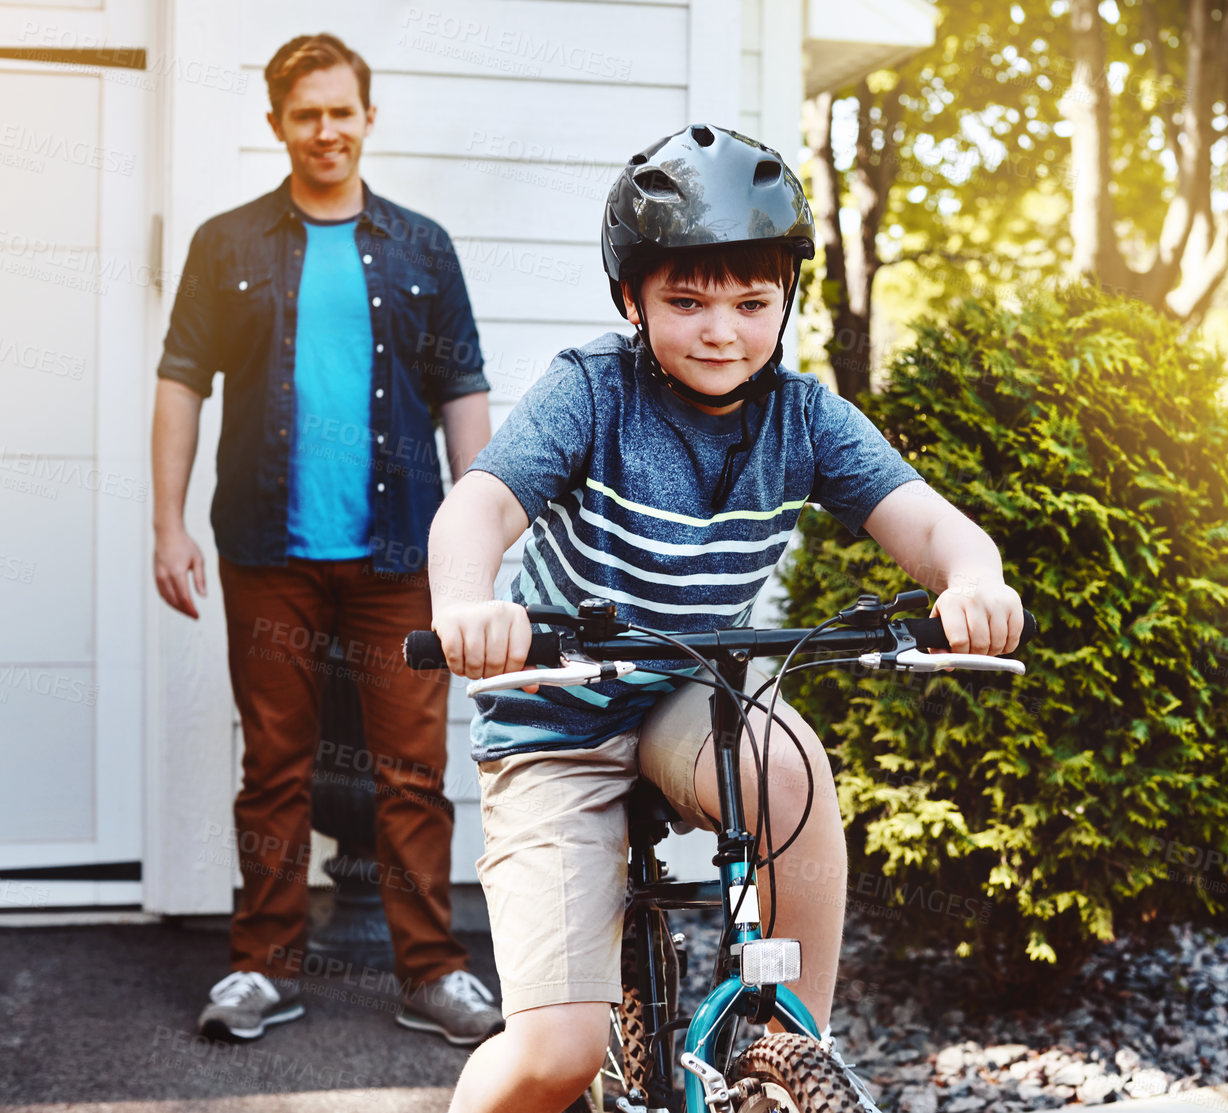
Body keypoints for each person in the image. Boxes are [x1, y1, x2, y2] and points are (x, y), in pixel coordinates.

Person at [425, 123, 1026, 1113]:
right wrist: (466, 603)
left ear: (787, 301)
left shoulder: (803, 415)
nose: (722, 331)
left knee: (785, 764)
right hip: (558, 716)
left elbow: (926, 524)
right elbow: (480, 506)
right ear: (632, 297)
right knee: (554, 1057)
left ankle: (793, 1053)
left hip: (685, 700)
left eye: (753, 303)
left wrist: (972, 578)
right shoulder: (592, 392)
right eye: (687, 301)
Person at [150, 32, 502, 1046]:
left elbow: (462, 393)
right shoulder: (227, 244)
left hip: (400, 553)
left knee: (411, 772)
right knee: (276, 767)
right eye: (305, 114)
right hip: (268, 549)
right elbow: (181, 379)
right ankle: (259, 967)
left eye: (341, 111)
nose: (325, 131)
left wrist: (468, 545)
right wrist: (167, 524)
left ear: (368, 118)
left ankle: (431, 972)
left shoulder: (422, 246)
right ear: (277, 126)